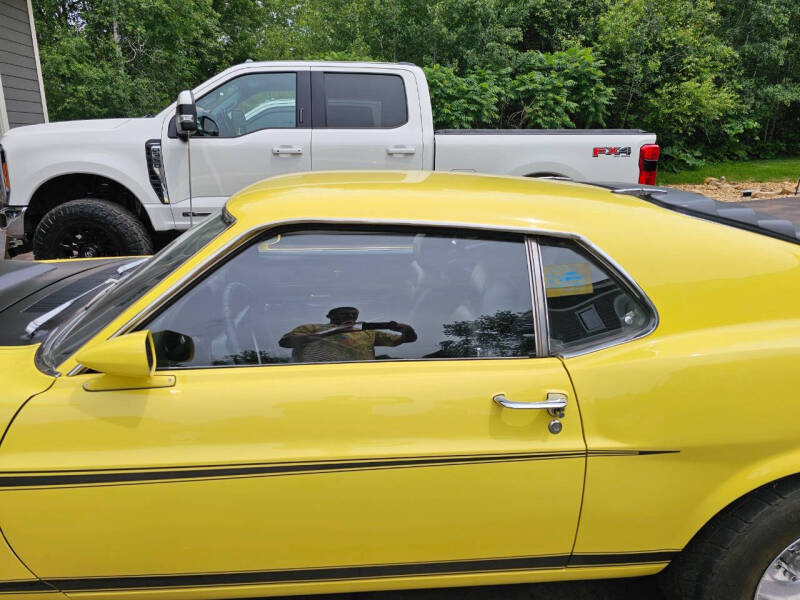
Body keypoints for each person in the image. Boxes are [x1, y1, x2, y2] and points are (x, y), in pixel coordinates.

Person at [279, 306, 417, 363]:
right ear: (329, 316)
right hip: (316, 376)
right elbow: (285, 342)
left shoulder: (366, 332)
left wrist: (407, 329)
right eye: (345, 313)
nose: (351, 316)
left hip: (360, 378)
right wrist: (333, 331)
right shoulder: (313, 327)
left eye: (354, 314)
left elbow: (406, 340)